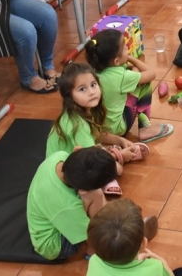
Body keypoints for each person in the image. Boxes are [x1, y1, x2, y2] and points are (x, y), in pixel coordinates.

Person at [46, 62, 150, 195]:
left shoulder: (85, 109)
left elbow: (97, 133)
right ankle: (110, 176)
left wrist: (119, 141)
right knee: (117, 169)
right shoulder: (78, 124)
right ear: (69, 96)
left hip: (75, 159)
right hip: (63, 178)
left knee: (109, 156)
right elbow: (91, 161)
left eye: (93, 85)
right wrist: (120, 156)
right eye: (82, 89)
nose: (91, 92)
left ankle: (115, 159)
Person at [27, 147, 117, 260]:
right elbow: (90, 234)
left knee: (97, 198)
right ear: (83, 191)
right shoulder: (68, 207)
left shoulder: (59, 156)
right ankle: (92, 251)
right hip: (54, 246)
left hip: (50, 210)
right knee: (96, 194)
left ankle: (104, 216)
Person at [86, 30, 173, 143]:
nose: (127, 48)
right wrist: (131, 59)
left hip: (99, 129)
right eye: (125, 47)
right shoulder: (121, 77)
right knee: (144, 83)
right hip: (117, 129)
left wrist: (130, 67)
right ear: (116, 61)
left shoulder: (92, 71)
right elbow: (151, 74)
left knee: (134, 78)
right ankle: (145, 128)